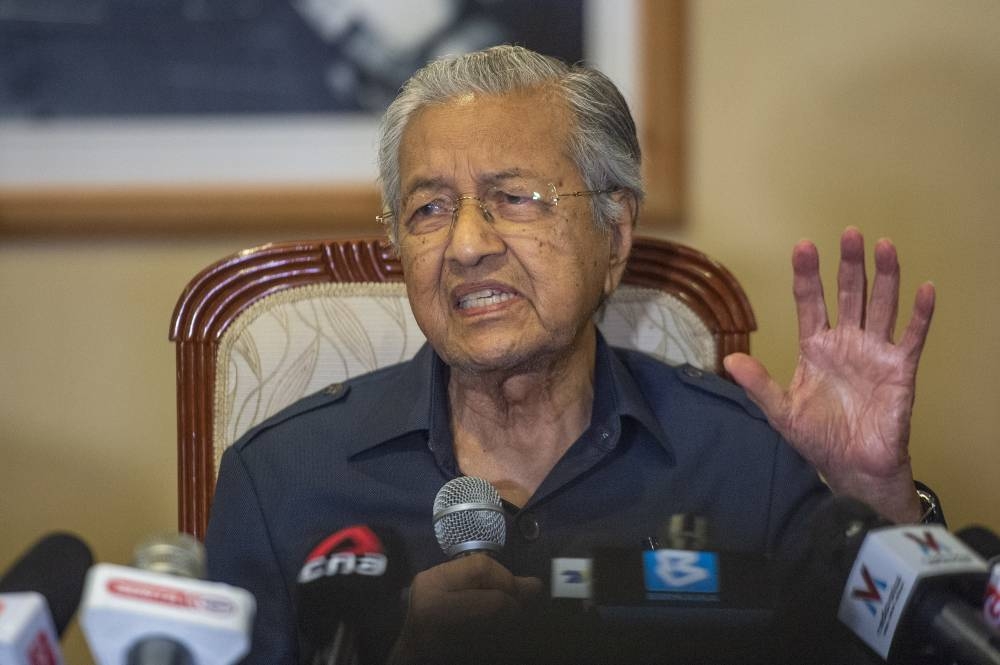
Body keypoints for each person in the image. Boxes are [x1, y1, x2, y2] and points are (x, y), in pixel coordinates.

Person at [205, 45, 938, 664]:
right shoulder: (281, 479)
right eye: (429, 209)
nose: (466, 245)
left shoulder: (746, 456)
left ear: (613, 236)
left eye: (515, 197)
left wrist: (875, 496)